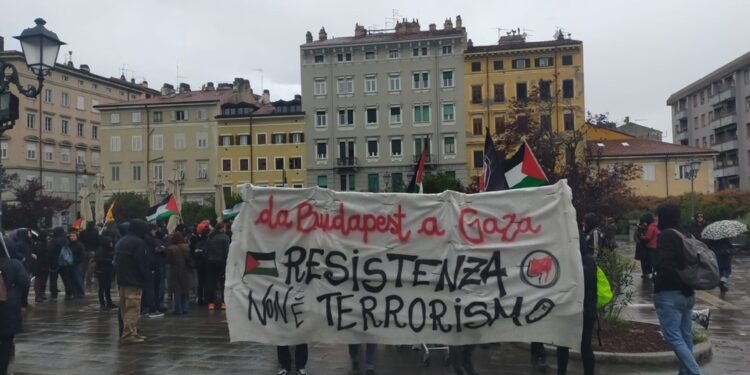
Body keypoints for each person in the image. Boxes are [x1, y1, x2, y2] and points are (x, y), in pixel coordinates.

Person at [653, 203, 702, 375]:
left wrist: (656, 269)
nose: (656, 220)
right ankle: (686, 372)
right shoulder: (685, 234)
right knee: (685, 335)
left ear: (664, 217)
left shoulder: (666, 235)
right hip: (687, 293)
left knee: (673, 337)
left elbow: (665, 265)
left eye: (658, 216)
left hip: (669, 293)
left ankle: (695, 372)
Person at [556, 212, 598, 375]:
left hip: (579, 309)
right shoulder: (587, 260)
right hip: (583, 309)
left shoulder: (582, 262)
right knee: (577, 346)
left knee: (578, 345)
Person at [115, 219, 150, 344]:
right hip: (133, 280)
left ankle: (131, 332)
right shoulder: (138, 243)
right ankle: (129, 335)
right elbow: (141, 263)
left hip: (122, 280)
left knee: (125, 308)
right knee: (133, 308)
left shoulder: (122, 241)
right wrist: (146, 277)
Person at [0, 248, 31, 374]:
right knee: (6, 340)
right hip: (8, 306)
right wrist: (21, 299)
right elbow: (25, 282)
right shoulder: (14, 264)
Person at [165, 232, 193, 315]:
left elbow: (167, 260)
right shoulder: (186, 247)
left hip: (175, 270)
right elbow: (190, 259)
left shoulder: (171, 248)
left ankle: (178, 309)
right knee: (185, 290)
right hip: (185, 270)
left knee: (177, 291)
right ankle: (185, 308)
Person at [141, 224, 165, 318]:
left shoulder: (144, 239)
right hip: (152, 268)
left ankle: (146, 308)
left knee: (148, 289)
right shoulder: (150, 240)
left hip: (149, 268)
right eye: (155, 230)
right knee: (152, 289)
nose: (156, 232)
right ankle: (151, 309)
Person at [206, 222, 230, 310]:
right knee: (223, 282)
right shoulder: (225, 237)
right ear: (222, 228)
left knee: (211, 282)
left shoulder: (210, 237)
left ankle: (211, 303)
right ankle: (223, 302)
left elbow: (207, 251)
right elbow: (227, 251)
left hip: (211, 261)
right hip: (221, 262)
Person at [47, 227, 73, 301]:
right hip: (64, 262)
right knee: (66, 279)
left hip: (54, 263)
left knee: (53, 280)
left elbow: (49, 252)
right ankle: (69, 294)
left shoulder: (53, 241)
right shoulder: (66, 241)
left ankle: (54, 296)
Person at [9, 229, 33, 308]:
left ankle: (24, 303)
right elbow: (14, 253)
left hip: (27, 266)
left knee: (26, 285)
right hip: (22, 267)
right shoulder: (19, 244)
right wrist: (22, 257)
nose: (30, 234)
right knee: (23, 285)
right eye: (28, 233)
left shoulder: (28, 243)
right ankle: (22, 303)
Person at [95, 227, 117, 311]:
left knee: (107, 287)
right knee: (102, 287)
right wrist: (110, 261)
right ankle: (102, 303)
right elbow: (99, 259)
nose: (111, 243)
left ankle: (109, 302)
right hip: (102, 271)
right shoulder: (100, 249)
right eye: (110, 242)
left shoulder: (110, 250)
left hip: (108, 270)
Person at [31, 231, 50, 303]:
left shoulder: (44, 243)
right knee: (38, 281)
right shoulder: (39, 244)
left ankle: (41, 294)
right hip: (39, 265)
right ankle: (38, 296)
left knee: (43, 280)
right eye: (46, 236)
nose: (47, 238)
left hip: (44, 265)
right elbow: (39, 254)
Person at [68, 231, 87, 299]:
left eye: (74, 236)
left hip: (77, 264)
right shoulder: (68, 244)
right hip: (70, 264)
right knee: (71, 279)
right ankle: (74, 293)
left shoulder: (79, 245)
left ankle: (80, 293)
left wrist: (76, 260)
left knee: (77, 278)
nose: (72, 237)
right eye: (71, 236)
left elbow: (82, 255)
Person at [634, 214, 653, 278]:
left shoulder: (645, 228)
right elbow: (636, 237)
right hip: (644, 246)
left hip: (643, 246)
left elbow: (635, 237)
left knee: (645, 260)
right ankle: (646, 272)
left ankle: (646, 272)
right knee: (645, 260)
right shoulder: (643, 228)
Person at [644, 214, 660, 279]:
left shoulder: (650, 227)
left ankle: (651, 274)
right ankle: (655, 273)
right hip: (657, 246)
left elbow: (648, 237)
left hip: (651, 247)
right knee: (655, 261)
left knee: (650, 261)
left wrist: (642, 237)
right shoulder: (656, 227)